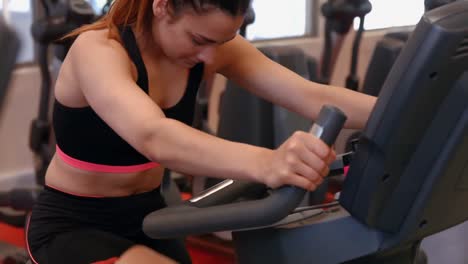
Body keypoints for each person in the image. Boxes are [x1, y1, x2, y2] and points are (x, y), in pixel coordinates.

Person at [26, 0, 377, 263]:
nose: (211, 57)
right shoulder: (99, 50)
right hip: (73, 223)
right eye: (199, 39)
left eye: (223, 41)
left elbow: (312, 95)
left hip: (150, 217)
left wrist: (412, 110)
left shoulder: (211, 48)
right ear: (162, 6)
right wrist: (268, 162)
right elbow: (154, 136)